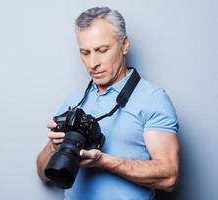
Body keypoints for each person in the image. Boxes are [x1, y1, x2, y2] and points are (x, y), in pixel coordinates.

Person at [36, 6, 179, 200]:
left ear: (124, 45)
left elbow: (169, 177)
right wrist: (53, 147)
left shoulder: (152, 98)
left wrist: (104, 161)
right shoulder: (74, 100)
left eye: (102, 50)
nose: (92, 62)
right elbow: (43, 175)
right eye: (85, 52)